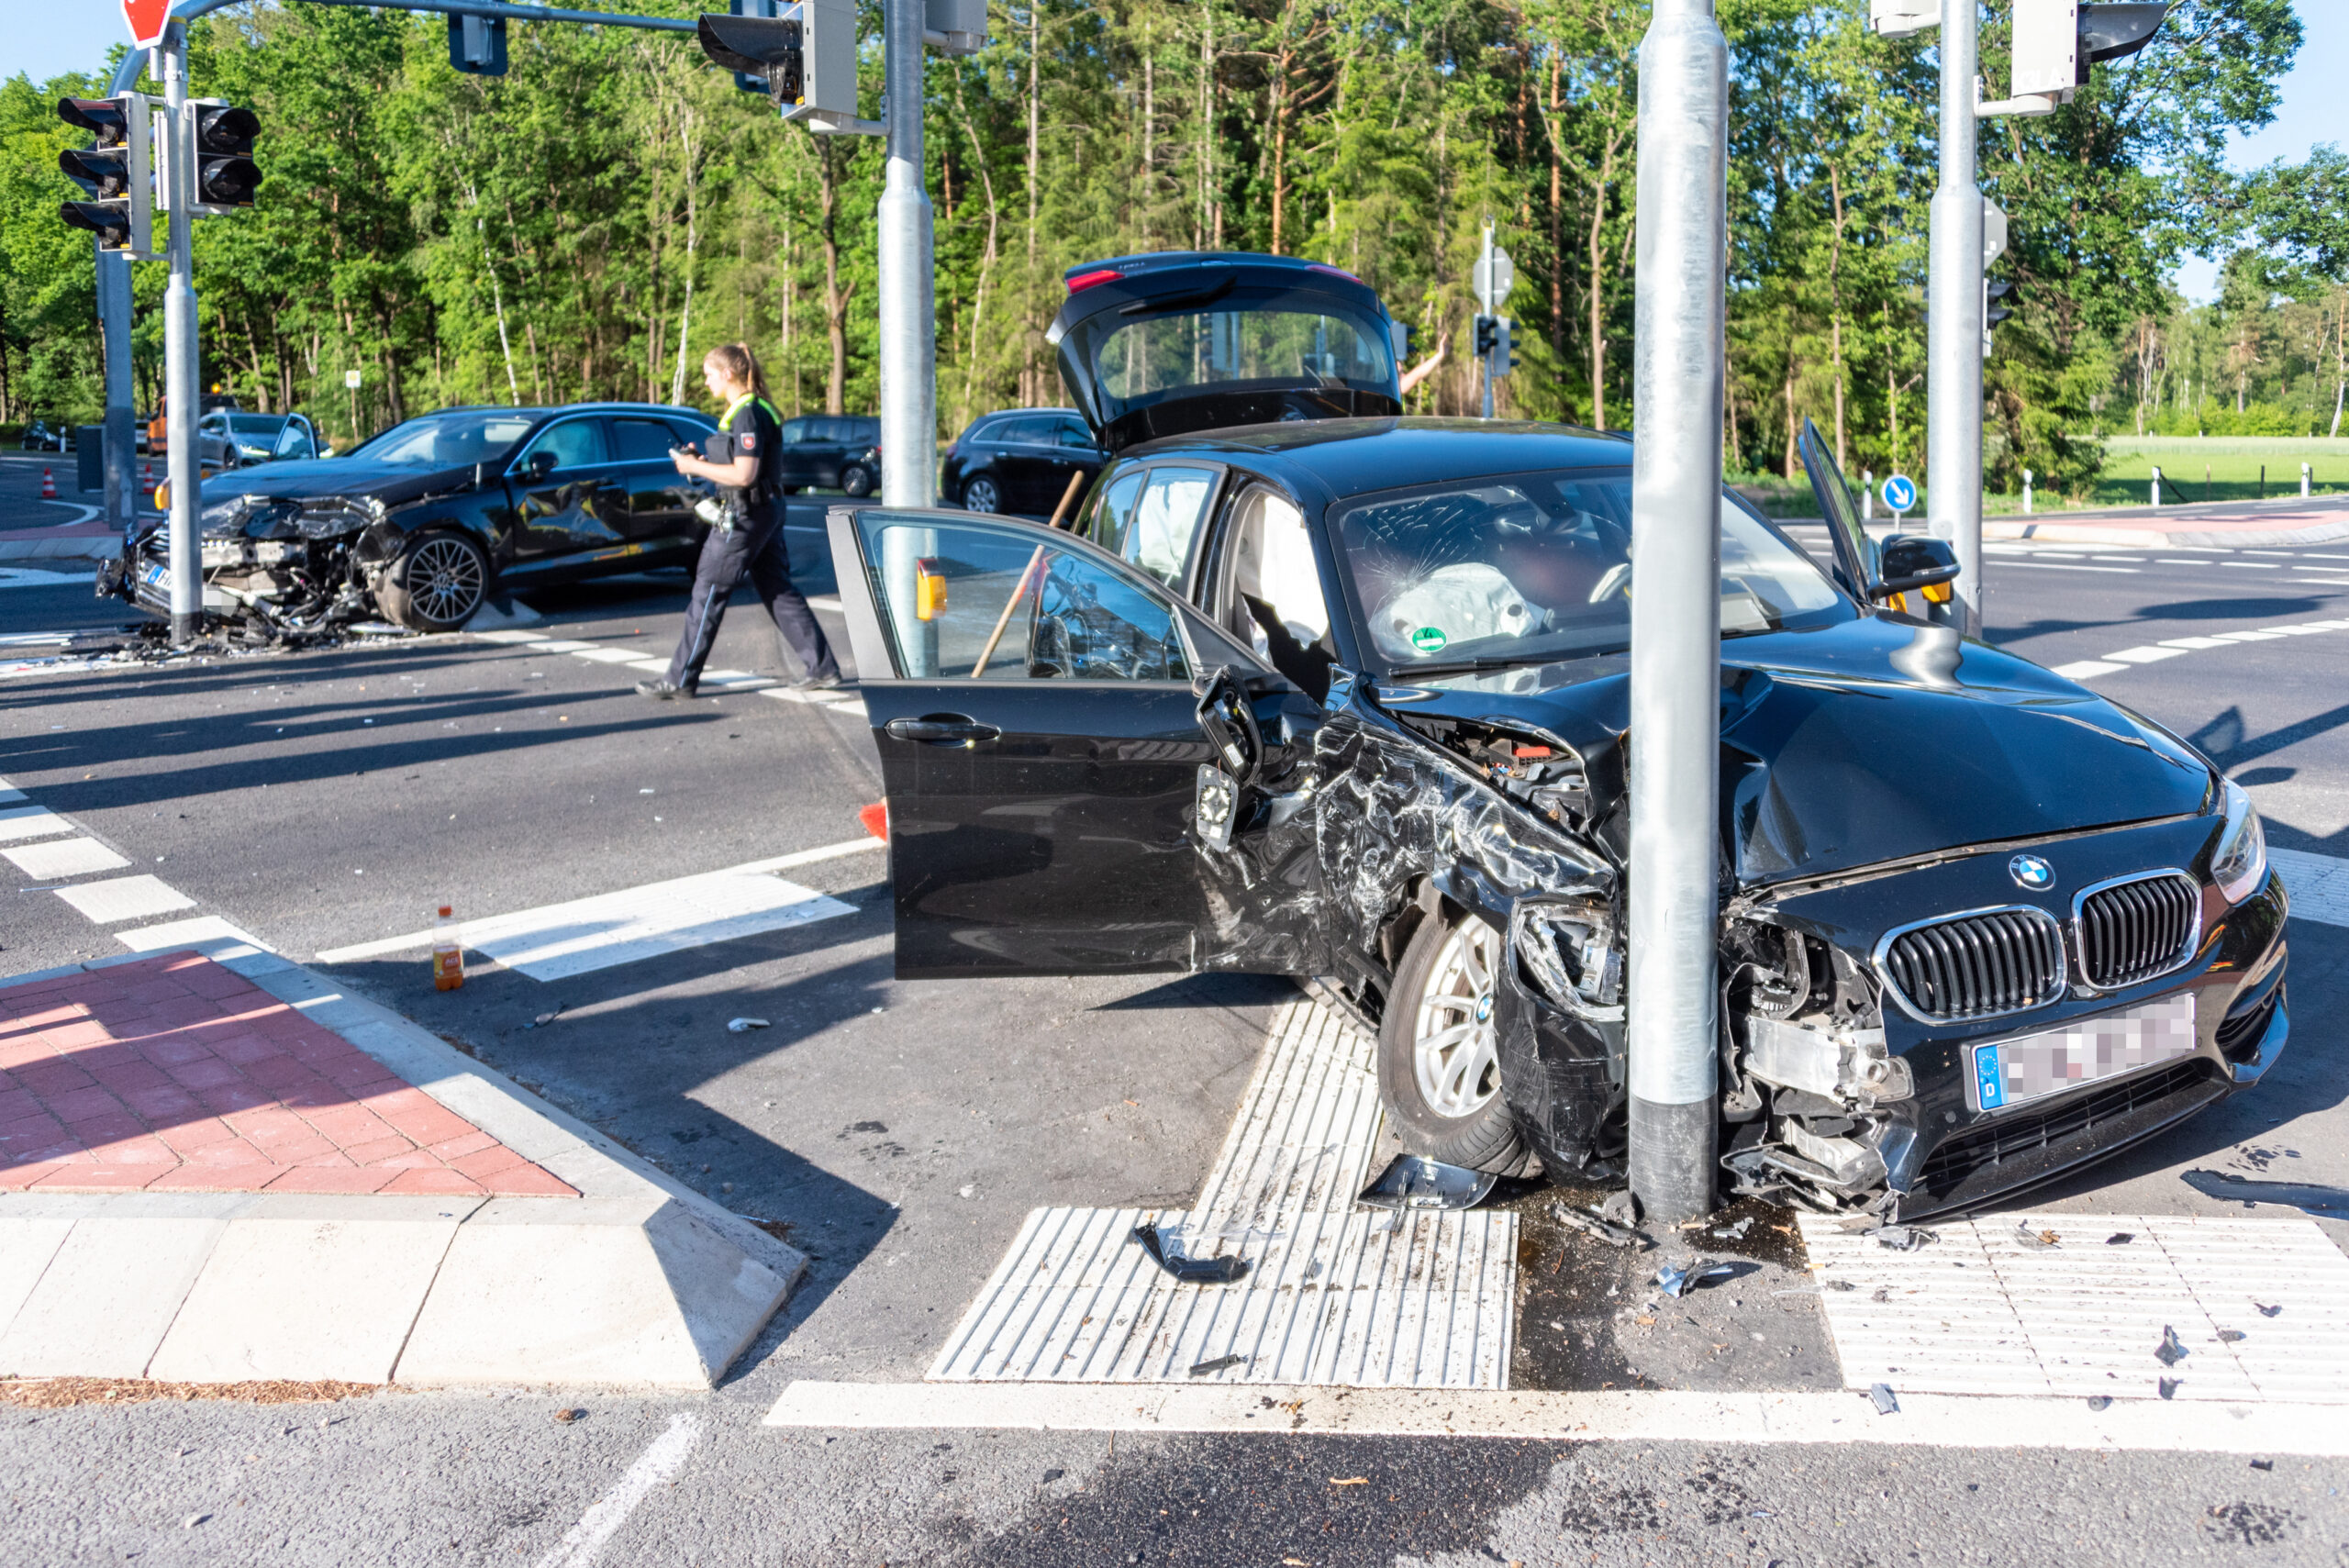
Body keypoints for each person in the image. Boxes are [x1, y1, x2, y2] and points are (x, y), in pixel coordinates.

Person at [640, 344, 841, 699]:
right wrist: (704, 459)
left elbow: (745, 474)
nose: (706, 382)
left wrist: (693, 466)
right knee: (778, 590)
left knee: (707, 591)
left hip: (747, 514)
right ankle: (822, 668)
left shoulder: (747, 413)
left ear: (728, 374)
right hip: (766, 510)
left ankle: (680, 679)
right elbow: (743, 464)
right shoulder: (757, 408)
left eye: (709, 374)